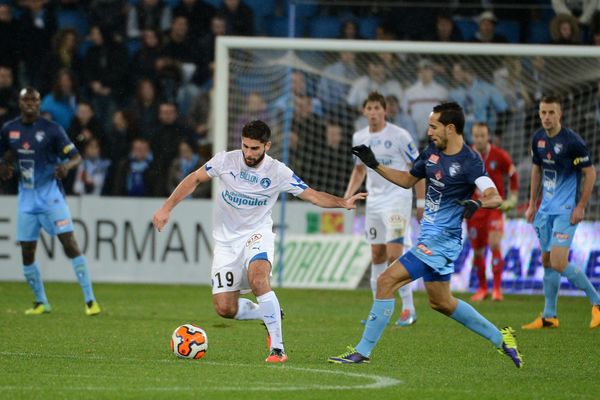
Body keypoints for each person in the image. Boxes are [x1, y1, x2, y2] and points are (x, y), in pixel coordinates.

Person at [152, 120, 366, 363]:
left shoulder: (278, 172)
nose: (249, 153)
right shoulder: (225, 160)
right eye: (245, 146)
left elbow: (313, 195)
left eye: (255, 148)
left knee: (258, 279)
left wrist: (342, 202)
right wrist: (166, 208)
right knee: (225, 308)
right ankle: (266, 314)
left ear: (267, 145)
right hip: (225, 242)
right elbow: (194, 179)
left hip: (257, 234)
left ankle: (278, 348)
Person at [328, 102, 523, 368]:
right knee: (441, 302)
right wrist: (374, 165)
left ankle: (362, 351)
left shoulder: (470, 161)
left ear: (450, 128)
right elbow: (408, 179)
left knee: (386, 281)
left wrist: (478, 203)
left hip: (442, 241)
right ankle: (501, 338)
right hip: (428, 237)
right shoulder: (432, 152)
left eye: (434, 126)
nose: (429, 131)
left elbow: (494, 196)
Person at [0, 87, 100, 316]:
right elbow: (5, 155)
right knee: (27, 250)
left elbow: (76, 157)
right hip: (26, 199)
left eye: (34, 100)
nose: (30, 104)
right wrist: (4, 167)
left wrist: (66, 166)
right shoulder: (9, 129)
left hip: (51, 198)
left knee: (69, 242)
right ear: (19, 102)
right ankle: (41, 302)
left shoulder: (52, 129)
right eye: (26, 100)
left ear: (39, 104)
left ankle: (90, 300)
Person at [345, 92, 424, 327]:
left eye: (377, 108)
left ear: (385, 110)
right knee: (377, 255)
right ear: (364, 111)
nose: (373, 112)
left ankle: (408, 309)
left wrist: (420, 203)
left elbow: (418, 168)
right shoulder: (359, 136)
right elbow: (359, 170)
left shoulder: (400, 135)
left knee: (394, 255)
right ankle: (377, 310)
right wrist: (348, 196)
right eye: (369, 108)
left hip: (398, 199)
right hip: (374, 202)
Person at [522, 96, 600, 330]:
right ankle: (549, 316)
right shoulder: (538, 139)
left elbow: (591, 174)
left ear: (560, 114)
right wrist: (532, 203)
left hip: (566, 211)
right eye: (543, 112)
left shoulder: (572, 142)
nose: (546, 117)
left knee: (557, 261)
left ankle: (597, 302)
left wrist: (581, 206)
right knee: (547, 261)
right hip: (544, 210)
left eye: (551, 113)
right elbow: (537, 169)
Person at [468, 122, 518, 302]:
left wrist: (512, 198)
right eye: (476, 135)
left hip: (495, 208)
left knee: (495, 243)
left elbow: (513, 174)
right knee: (478, 252)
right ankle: (482, 289)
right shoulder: (468, 155)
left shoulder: (499, 155)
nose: (479, 139)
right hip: (475, 209)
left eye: (482, 135)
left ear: (488, 136)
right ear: (472, 137)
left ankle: (497, 289)